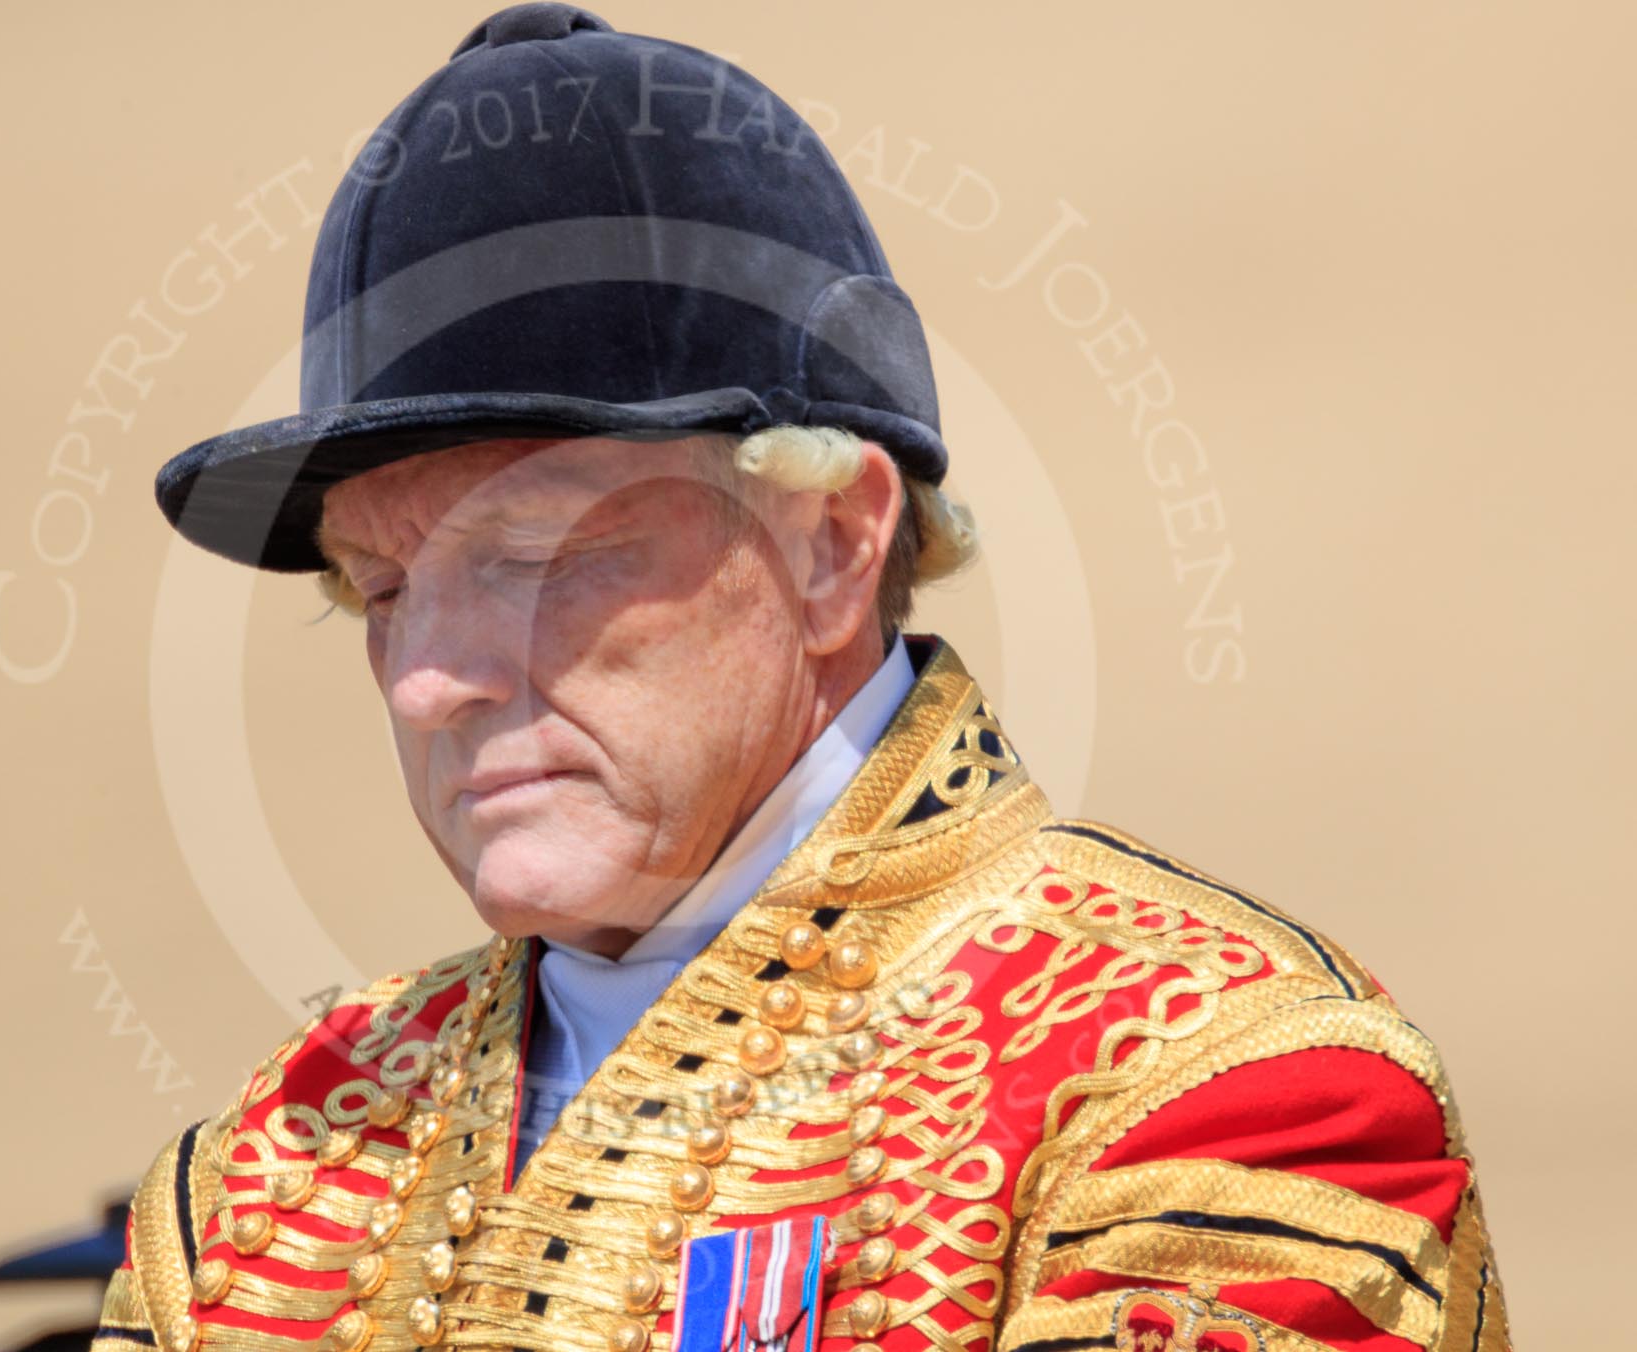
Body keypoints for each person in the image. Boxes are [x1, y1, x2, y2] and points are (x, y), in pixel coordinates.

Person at [92, 7, 1508, 1351]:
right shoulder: (255, 1181)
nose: (427, 683)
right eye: (383, 588)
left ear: (831, 546)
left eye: (530, 555)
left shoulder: (1227, 1089)